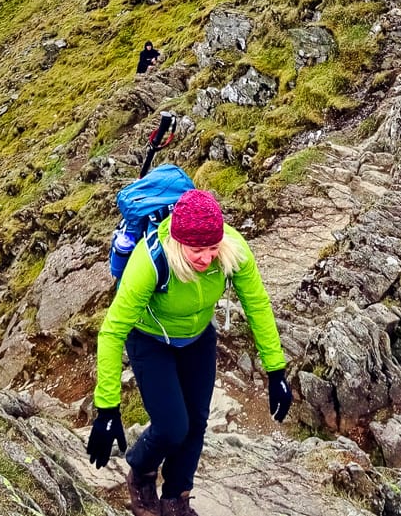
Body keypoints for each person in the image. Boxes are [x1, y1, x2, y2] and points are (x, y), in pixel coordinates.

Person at [86, 189, 290, 516]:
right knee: (172, 426)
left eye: (212, 248)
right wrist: (107, 409)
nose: (206, 258)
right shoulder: (151, 259)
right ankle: (141, 471)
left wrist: (276, 370)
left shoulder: (233, 249)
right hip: (150, 339)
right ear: (179, 242)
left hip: (197, 338)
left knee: (196, 423)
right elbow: (111, 331)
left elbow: (258, 306)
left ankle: (176, 498)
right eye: (197, 250)